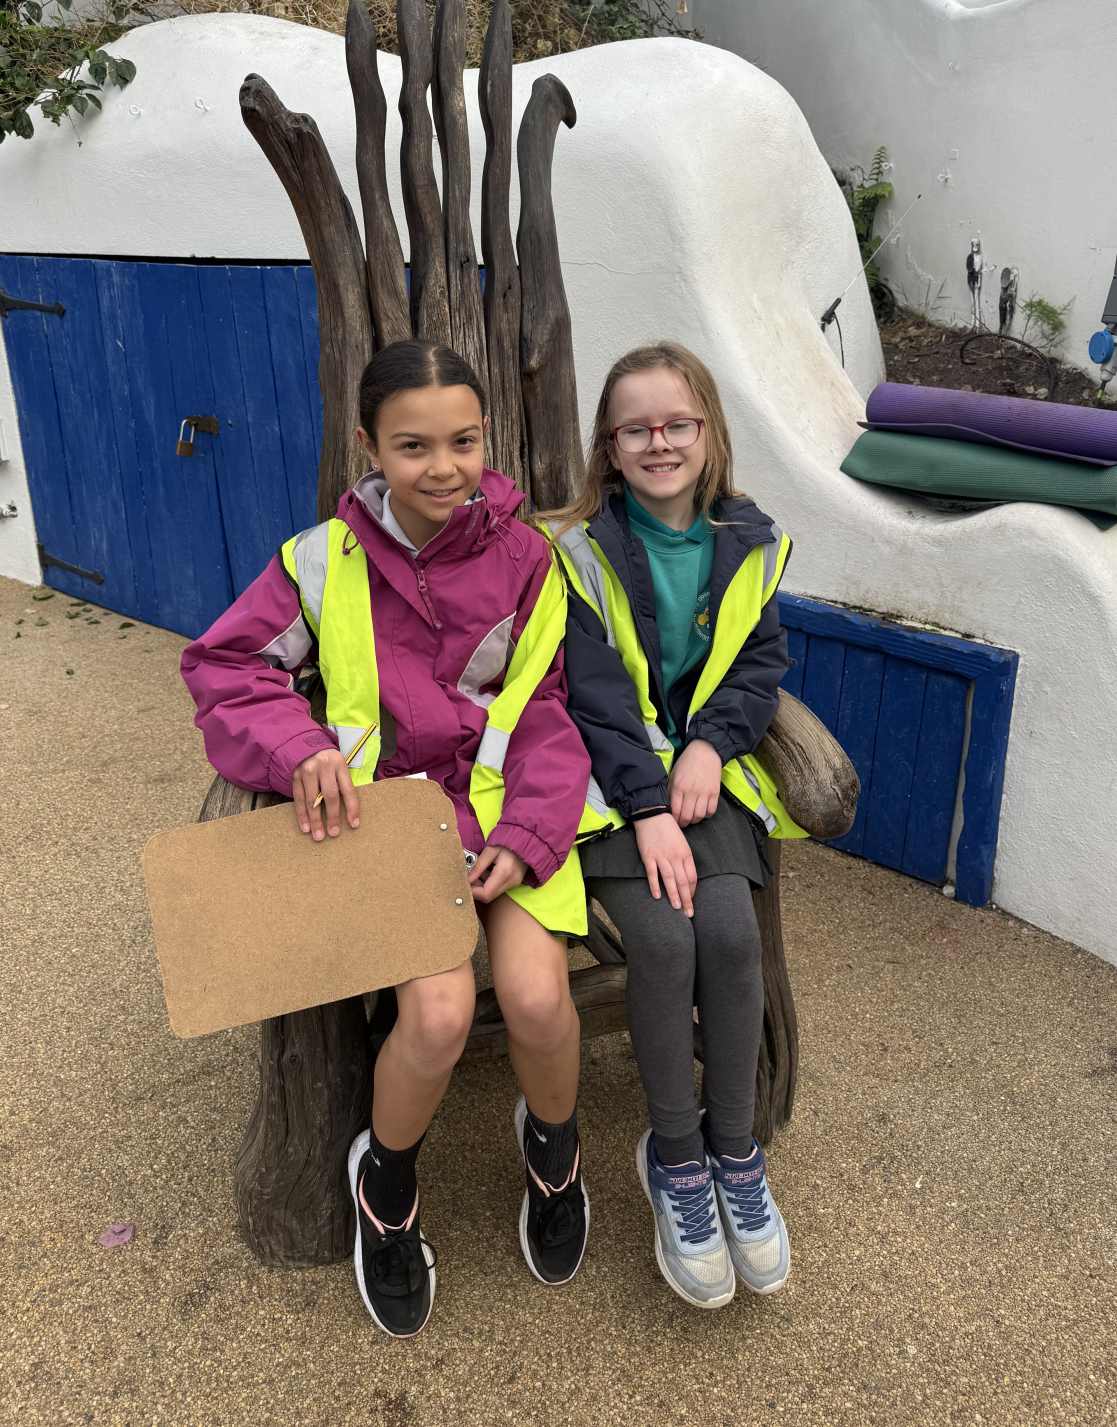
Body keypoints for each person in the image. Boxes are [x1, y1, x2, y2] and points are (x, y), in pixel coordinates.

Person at [181, 339, 592, 1338]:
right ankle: (387, 1185)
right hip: (390, 829)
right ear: (368, 446)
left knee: (540, 999)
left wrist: (529, 834)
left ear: (486, 437)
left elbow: (544, 709)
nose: (443, 467)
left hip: (509, 817)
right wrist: (298, 747)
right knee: (441, 1016)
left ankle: (555, 1154)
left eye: (464, 441)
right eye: (413, 446)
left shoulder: (528, 559)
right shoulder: (319, 560)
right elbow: (226, 668)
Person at [545, 341, 802, 1309]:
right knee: (661, 938)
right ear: (609, 447)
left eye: (677, 424)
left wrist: (711, 748)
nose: (659, 442)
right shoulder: (581, 553)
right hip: (610, 783)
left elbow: (758, 666)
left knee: (729, 936)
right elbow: (591, 694)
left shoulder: (750, 543)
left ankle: (735, 1151)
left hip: (706, 778)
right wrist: (648, 805)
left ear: (708, 433)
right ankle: (677, 1158)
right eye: (636, 428)